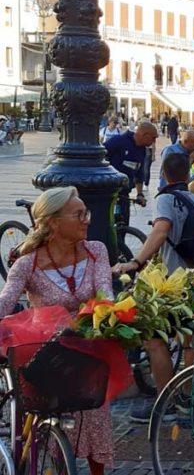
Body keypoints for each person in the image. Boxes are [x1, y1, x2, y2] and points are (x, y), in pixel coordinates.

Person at [0, 187, 118, 474]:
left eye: (86, 212)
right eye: (78, 214)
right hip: (46, 355)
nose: (86, 219)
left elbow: (105, 293)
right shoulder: (27, 263)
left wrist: (109, 315)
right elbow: (5, 302)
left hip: (88, 351)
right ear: (53, 222)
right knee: (51, 430)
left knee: (95, 418)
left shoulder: (96, 250)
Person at [113, 153, 194, 421]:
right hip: (193, 279)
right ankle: (189, 398)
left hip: (170, 283)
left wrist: (137, 261)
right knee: (188, 341)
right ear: (187, 174)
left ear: (163, 173)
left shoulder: (165, 198)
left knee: (154, 341)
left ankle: (166, 403)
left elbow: (161, 229)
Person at [105, 121, 158, 226]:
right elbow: (101, 155)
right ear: (144, 135)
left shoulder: (143, 150)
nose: (154, 142)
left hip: (124, 194)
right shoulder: (119, 141)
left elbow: (139, 173)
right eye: (153, 138)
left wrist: (140, 194)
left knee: (123, 226)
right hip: (109, 194)